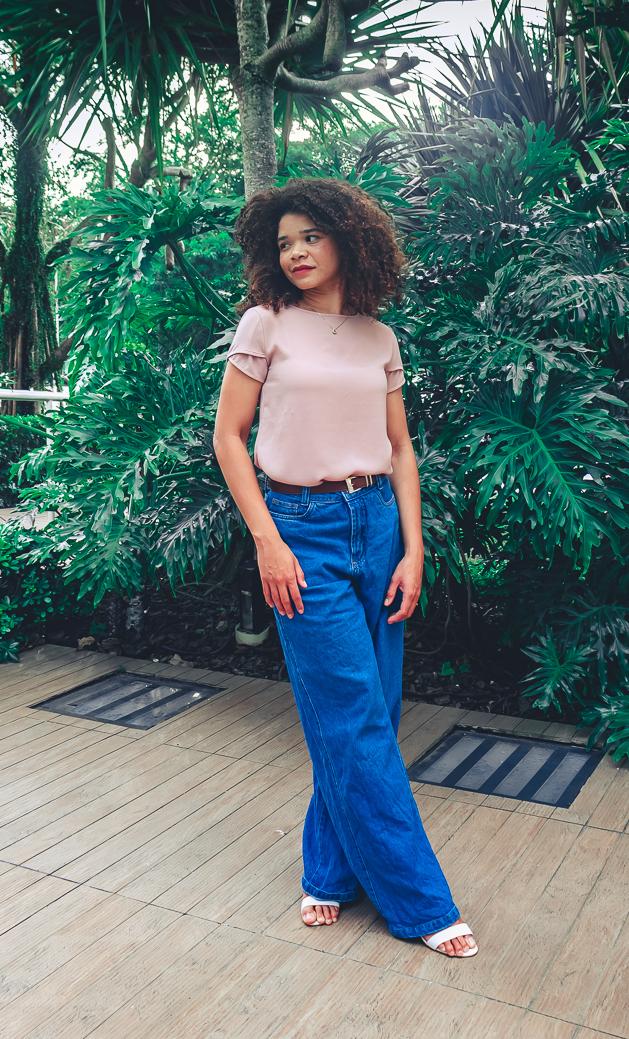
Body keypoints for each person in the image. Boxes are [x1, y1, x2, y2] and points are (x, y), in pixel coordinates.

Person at [213, 177, 477, 958]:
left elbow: (401, 448)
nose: (295, 252)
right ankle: (421, 903)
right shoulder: (265, 324)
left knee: (373, 711)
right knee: (354, 716)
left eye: (310, 237)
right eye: (284, 242)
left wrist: (415, 549)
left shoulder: (378, 337)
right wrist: (268, 541)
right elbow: (229, 437)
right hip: (300, 532)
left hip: (379, 526)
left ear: (348, 241)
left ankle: (327, 872)